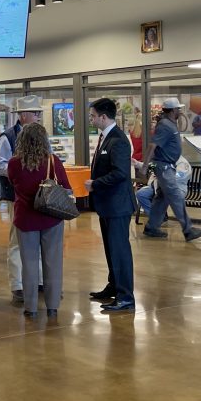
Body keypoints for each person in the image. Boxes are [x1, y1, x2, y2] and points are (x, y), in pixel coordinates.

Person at [6, 122, 71, 319]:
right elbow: (67, 188)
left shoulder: (14, 164)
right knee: (53, 263)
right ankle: (52, 307)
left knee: (29, 264)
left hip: (25, 219)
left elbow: (13, 183)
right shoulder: (53, 161)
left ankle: (31, 307)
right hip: (51, 218)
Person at [0, 95, 44, 306]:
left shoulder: (41, 136)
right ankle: (18, 286)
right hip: (16, 197)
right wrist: (20, 173)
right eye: (36, 113)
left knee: (40, 241)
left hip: (39, 198)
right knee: (16, 242)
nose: (39, 116)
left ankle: (39, 281)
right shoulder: (7, 137)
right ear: (24, 116)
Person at [85, 98, 136, 313]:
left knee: (119, 250)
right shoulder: (105, 138)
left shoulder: (118, 140)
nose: (91, 118)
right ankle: (114, 286)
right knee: (110, 249)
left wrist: (95, 183)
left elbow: (120, 173)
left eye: (93, 116)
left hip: (118, 205)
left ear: (103, 117)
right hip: (107, 205)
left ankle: (125, 297)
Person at [143, 98, 201, 242]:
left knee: (162, 198)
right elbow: (152, 146)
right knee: (176, 196)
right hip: (164, 167)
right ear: (173, 111)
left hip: (167, 166)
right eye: (178, 109)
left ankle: (151, 227)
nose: (180, 111)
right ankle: (188, 229)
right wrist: (144, 166)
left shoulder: (169, 124)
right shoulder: (165, 125)